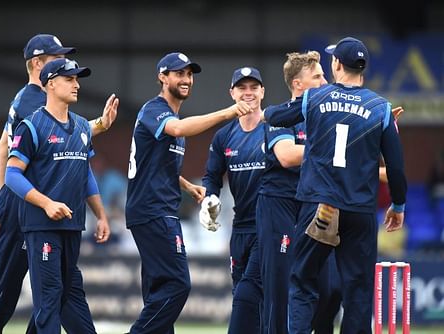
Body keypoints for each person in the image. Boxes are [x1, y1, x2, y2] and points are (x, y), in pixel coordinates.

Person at [262, 37, 407, 333]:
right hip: (359, 210)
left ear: (337, 64)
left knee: (303, 280)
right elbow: (395, 166)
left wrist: (264, 111)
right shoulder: (381, 108)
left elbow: (276, 116)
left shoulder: (314, 97)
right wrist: (398, 205)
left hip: (320, 204)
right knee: (358, 289)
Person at [0, 33, 119, 334]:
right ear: (39, 66)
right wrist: (9, 200)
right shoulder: (34, 100)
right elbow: (45, 140)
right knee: (20, 285)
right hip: (33, 208)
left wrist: (3, 198)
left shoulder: (22, 98)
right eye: (59, 60)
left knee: (45, 289)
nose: (68, 68)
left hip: (42, 208)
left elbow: (4, 145)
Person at [125, 52, 252, 334]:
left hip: (154, 209)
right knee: (177, 284)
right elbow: (179, 128)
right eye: (179, 73)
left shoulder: (169, 117)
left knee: (158, 291)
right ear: (162, 77)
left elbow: (150, 162)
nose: (186, 79)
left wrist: (185, 184)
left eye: (189, 74)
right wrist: (228, 111)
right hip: (153, 211)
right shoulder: (155, 110)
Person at [200, 67, 265, 334]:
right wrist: (209, 200)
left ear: (263, 91)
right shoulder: (224, 136)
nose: (248, 93)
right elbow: (211, 177)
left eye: (253, 87)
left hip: (270, 228)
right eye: (242, 88)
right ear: (232, 93)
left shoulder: (276, 128)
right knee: (246, 296)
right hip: (240, 230)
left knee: (246, 296)